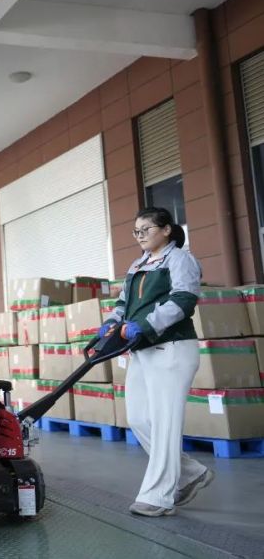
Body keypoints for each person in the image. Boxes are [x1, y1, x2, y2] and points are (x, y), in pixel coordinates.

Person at [100, 207, 214, 517]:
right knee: (139, 419)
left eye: (146, 229)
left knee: (164, 423)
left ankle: (158, 497)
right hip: (142, 349)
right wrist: (112, 322)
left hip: (172, 348)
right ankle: (191, 473)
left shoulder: (180, 259)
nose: (140, 236)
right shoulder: (138, 264)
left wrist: (146, 324)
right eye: (136, 231)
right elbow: (123, 303)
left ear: (166, 229)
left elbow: (184, 300)